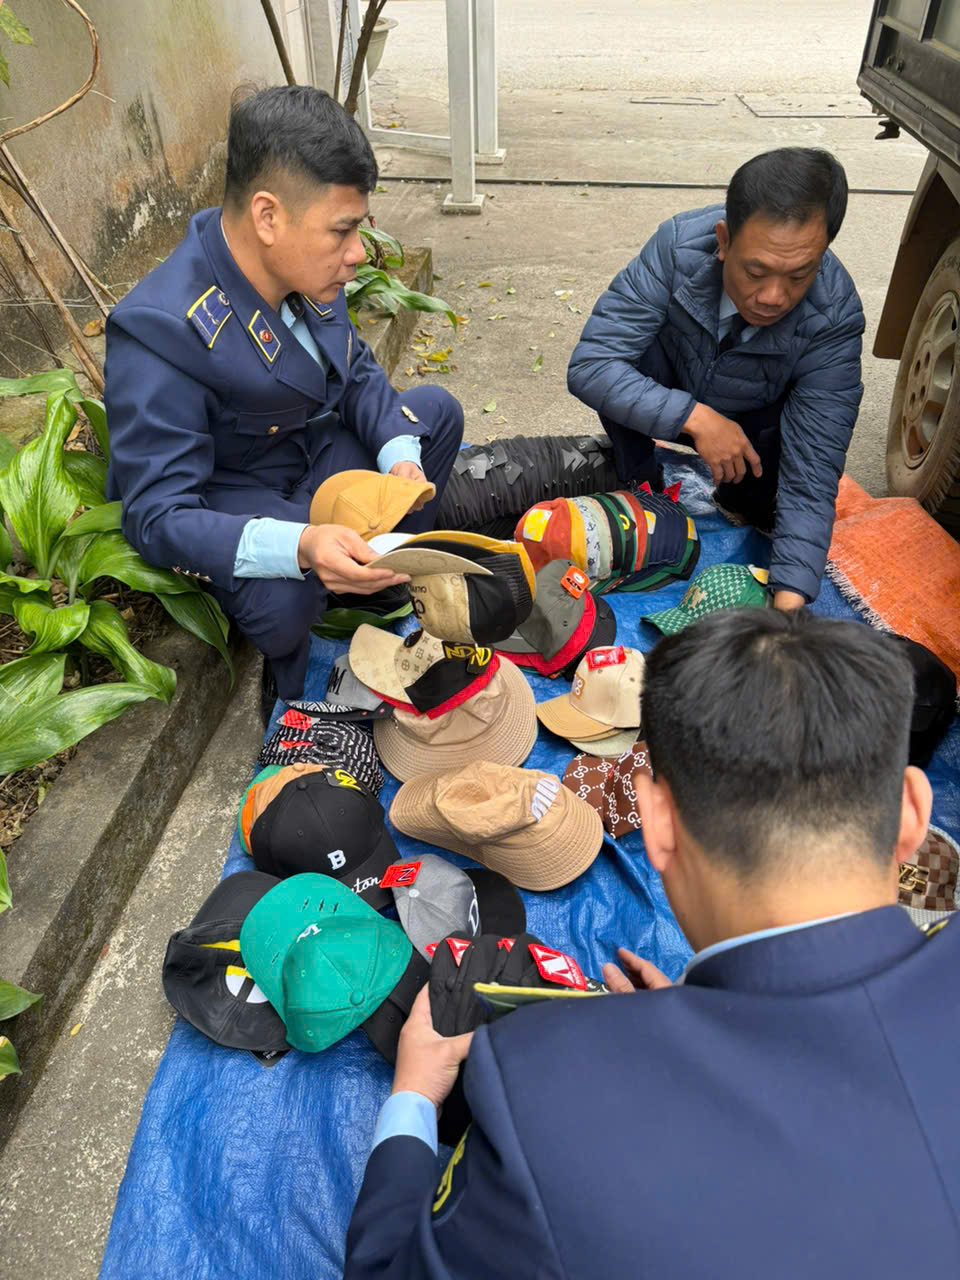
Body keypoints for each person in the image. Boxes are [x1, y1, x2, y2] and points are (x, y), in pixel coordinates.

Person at [343, 608, 960, 1279]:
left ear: (657, 824)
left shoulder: (537, 1090)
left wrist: (414, 1095)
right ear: (913, 812)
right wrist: (697, 1020)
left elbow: (385, 1269)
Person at [105, 86, 463, 704]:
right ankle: (297, 680)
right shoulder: (160, 328)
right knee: (283, 603)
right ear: (268, 217)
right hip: (236, 495)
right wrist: (299, 546)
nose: (358, 254)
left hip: (309, 458)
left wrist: (399, 460)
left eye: (358, 228)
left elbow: (355, 370)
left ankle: (377, 584)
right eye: (342, 231)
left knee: (434, 417)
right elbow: (158, 515)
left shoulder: (302, 265)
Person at [567, 147, 864, 610]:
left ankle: (744, 495)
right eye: (756, 271)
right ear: (723, 240)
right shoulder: (676, 247)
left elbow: (813, 468)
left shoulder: (835, 315)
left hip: (755, 433)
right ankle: (641, 481)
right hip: (669, 394)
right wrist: (698, 419)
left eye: (798, 275)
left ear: (822, 254)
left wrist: (788, 608)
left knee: (758, 509)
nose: (773, 296)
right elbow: (593, 364)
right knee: (624, 373)